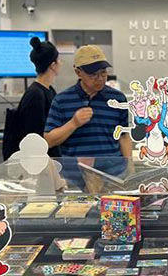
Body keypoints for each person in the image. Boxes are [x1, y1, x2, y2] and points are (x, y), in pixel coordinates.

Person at [44, 45, 131, 186]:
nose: (100, 79)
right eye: (93, 75)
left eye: (103, 73)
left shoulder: (118, 99)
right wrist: (73, 123)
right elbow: (49, 140)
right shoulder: (61, 100)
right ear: (78, 72)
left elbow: (124, 136)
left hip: (113, 176)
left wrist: (130, 169)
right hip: (75, 179)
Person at [2, 36, 60, 160]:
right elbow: (34, 137)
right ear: (53, 65)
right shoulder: (35, 95)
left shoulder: (49, 90)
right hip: (38, 162)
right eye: (58, 60)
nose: (61, 63)